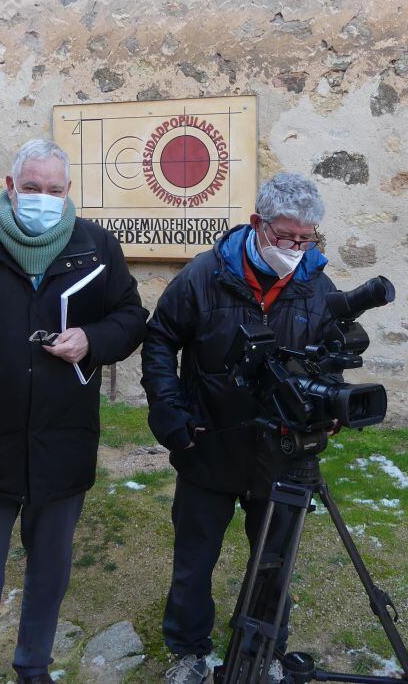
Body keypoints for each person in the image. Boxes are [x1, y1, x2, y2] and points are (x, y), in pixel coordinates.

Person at [0, 139, 147, 684]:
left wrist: (92, 338)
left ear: (68, 192)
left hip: (63, 436)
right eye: (32, 188)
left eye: (55, 190)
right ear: (10, 185)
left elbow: (132, 317)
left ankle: (33, 665)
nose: (42, 198)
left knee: (49, 569)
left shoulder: (96, 247)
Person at [142, 173, 340, 684]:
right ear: (258, 225)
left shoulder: (317, 287)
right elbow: (161, 337)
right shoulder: (205, 276)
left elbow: (332, 357)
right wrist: (167, 408)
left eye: (307, 238)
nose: (296, 248)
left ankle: (264, 649)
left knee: (273, 562)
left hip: (282, 452)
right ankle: (188, 650)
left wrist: (328, 402)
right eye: (286, 237)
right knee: (194, 559)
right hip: (208, 442)